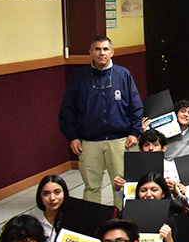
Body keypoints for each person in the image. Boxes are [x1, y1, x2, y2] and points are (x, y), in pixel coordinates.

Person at [58, 35, 143, 208]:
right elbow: (67, 109)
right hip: (89, 141)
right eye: (97, 49)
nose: (101, 53)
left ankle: (122, 223)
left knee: (123, 185)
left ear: (112, 52)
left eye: (105, 49)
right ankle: (93, 225)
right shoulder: (79, 77)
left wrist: (135, 132)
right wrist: (72, 136)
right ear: (90, 52)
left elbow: (136, 106)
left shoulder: (123, 74)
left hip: (121, 140)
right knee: (91, 187)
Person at [113, 130, 187, 206]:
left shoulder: (173, 167)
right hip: (140, 208)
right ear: (140, 149)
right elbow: (126, 199)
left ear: (163, 148)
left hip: (168, 208)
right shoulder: (132, 169)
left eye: (155, 145)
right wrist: (118, 188)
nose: (151, 148)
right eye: (146, 145)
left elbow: (184, 201)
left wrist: (175, 192)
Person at [133, 172, 185, 242]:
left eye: (154, 190)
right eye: (143, 190)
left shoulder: (175, 217)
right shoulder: (128, 216)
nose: (148, 194)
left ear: (163, 193)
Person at [33, 174, 68, 242]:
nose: (52, 198)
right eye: (46, 194)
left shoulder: (75, 218)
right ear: (40, 196)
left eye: (57, 192)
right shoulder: (33, 220)